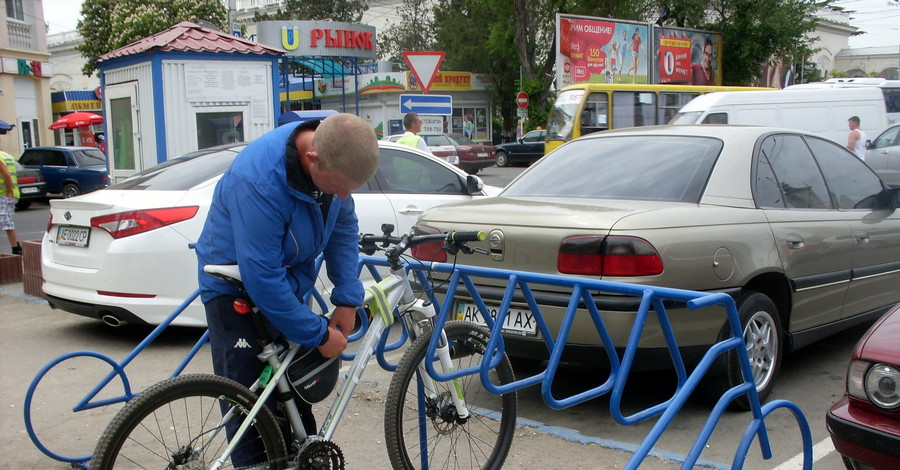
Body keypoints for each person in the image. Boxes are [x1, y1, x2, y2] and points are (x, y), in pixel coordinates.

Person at [195, 113, 379, 466]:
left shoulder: (334, 151)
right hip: (234, 286)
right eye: (338, 186)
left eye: (349, 190)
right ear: (312, 157)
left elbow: (342, 226)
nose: (342, 195)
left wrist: (346, 298)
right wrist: (318, 334)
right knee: (248, 406)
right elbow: (261, 276)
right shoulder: (259, 181)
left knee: (292, 394)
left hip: (285, 283)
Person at [0, 148, 21, 255]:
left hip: (5, 194)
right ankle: (16, 246)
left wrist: (8, 191)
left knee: (6, 222)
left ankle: (15, 249)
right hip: (13, 193)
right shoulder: (6, 155)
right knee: (8, 220)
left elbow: (7, 175)